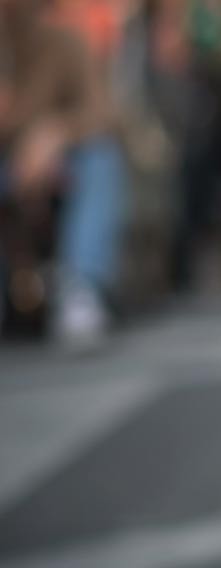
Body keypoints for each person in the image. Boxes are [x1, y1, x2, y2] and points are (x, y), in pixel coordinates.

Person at [0, 0, 128, 345]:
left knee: (102, 158)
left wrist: (54, 135)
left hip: (61, 165)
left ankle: (81, 286)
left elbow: (104, 113)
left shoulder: (65, 43)